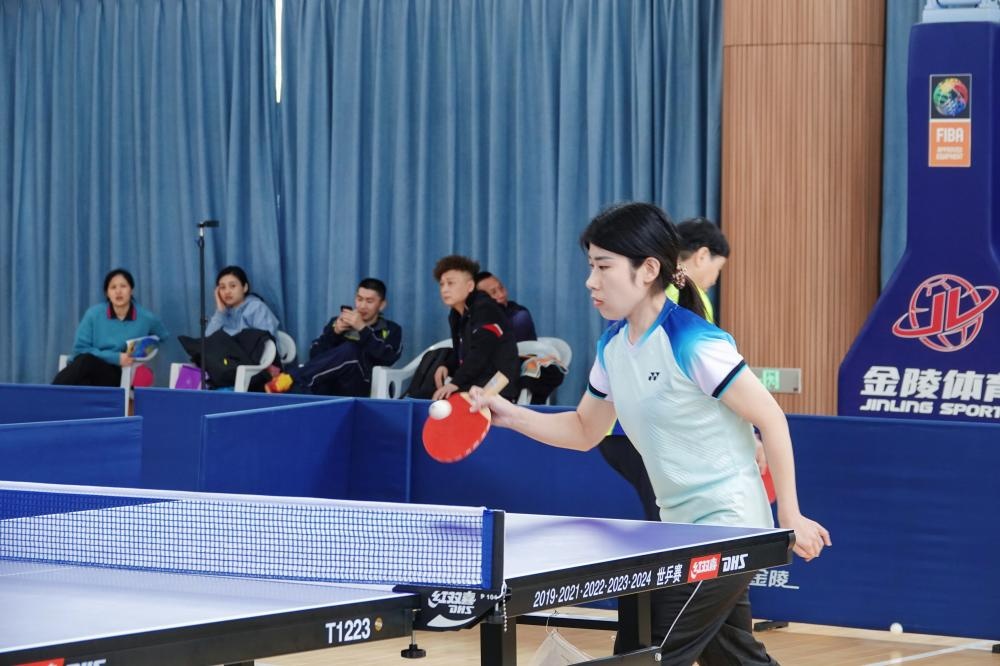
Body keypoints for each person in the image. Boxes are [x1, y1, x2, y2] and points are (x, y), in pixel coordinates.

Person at [469, 203, 829, 665]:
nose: (591, 281)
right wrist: (510, 415)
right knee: (733, 658)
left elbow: (771, 418)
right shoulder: (613, 347)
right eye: (590, 266)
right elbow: (584, 429)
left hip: (729, 528)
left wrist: (790, 515)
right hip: (677, 530)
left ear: (648, 270)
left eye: (604, 267)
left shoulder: (693, 341)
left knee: (644, 652)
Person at [600, 218, 734, 521]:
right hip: (652, 431)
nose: (715, 279)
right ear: (702, 255)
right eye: (719, 268)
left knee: (665, 522)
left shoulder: (645, 289)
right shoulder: (689, 299)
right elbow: (702, 376)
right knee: (672, 527)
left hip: (614, 432)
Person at [265, 278, 402, 396]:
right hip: (328, 383)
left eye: (369, 301)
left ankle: (291, 378)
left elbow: (388, 357)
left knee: (351, 350)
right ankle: (291, 388)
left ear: (382, 305)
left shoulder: (392, 329)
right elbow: (315, 355)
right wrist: (334, 333)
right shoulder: (339, 322)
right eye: (359, 299)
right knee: (303, 389)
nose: (362, 306)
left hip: (363, 385)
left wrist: (362, 329)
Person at [53, 268, 169, 386]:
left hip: (118, 373)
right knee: (85, 367)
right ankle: (52, 394)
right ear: (107, 293)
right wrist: (116, 357)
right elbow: (80, 349)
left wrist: (144, 350)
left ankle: (50, 393)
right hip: (87, 367)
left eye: (123, 286)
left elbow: (162, 336)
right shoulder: (93, 314)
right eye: (113, 287)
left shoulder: (146, 317)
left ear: (131, 290)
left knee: (85, 364)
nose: (118, 291)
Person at [427, 255, 520, 402]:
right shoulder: (455, 314)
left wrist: (455, 382)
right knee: (428, 394)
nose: (444, 289)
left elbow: (481, 351)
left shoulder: (485, 308)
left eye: (451, 283)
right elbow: (462, 351)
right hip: (472, 383)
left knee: (443, 403)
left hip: (496, 387)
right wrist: (446, 365)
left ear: (470, 286)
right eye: (442, 284)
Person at [179, 265, 280, 391]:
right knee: (201, 349)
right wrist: (220, 311)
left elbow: (266, 341)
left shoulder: (256, 308)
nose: (227, 291)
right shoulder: (223, 314)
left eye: (232, 286)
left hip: (252, 368)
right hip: (226, 366)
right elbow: (207, 342)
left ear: (245, 287)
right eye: (222, 287)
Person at [474, 271, 537, 342]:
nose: (501, 295)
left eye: (501, 288)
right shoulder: (473, 321)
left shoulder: (519, 316)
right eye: (493, 292)